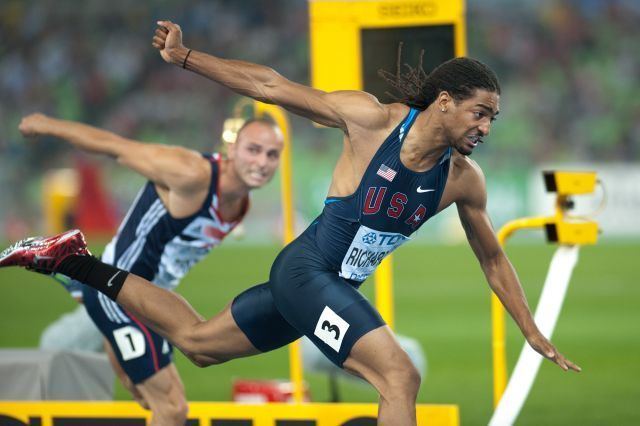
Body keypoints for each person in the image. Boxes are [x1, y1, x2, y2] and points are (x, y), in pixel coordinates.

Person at [1, 21, 580, 426]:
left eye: (494, 119)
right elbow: (270, 86)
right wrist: (185, 58)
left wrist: (528, 327)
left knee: (199, 344)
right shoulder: (372, 122)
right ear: (447, 101)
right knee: (399, 378)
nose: (486, 127)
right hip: (305, 271)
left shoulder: (462, 181)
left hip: (319, 287)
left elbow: (494, 259)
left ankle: (70, 259)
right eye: (481, 113)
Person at [16, 112, 284, 426]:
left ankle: (78, 289)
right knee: (171, 407)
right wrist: (47, 125)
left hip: (150, 301)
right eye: (253, 150)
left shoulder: (241, 202)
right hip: (118, 290)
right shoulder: (190, 173)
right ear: (231, 148)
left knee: (147, 399)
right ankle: (69, 269)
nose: (263, 162)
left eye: (272, 154)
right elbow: (114, 146)